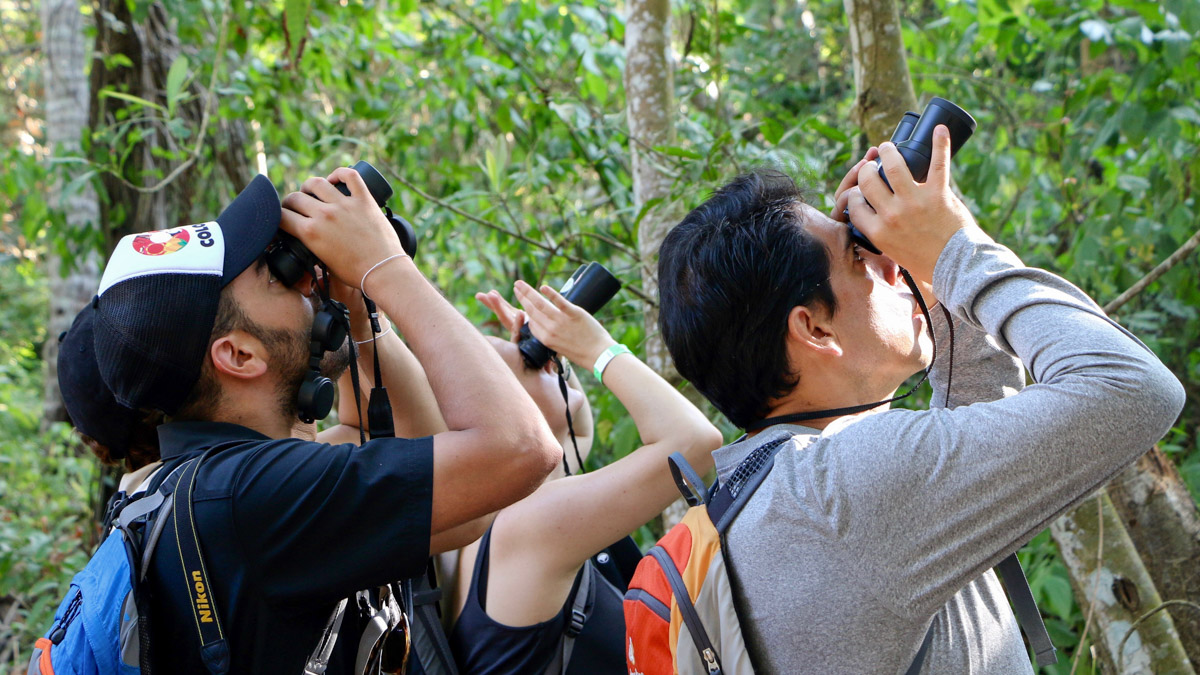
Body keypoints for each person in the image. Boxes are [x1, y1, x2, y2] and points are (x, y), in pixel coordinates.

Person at [653, 127, 1185, 673]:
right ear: (814, 330)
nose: (889, 265)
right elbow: (1133, 387)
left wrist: (928, 272)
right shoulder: (847, 487)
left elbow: (976, 409)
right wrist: (953, 248)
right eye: (859, 259)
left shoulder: (778, 488)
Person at [59, 170, 562, 674]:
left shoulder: (207, 490)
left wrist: (357, 310)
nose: (305, 281)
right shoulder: (252, 498)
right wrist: (383, 267)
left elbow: (463, 506)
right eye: (274, 274)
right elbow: (519, 448)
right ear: (238, 353)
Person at [443, 280, 723, 673]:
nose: (547, 363)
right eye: (526, 361)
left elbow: (576, 437)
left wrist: (554, 354)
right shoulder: (526, 528)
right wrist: (598, 349)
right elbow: (693, 443)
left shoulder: (500, 514)